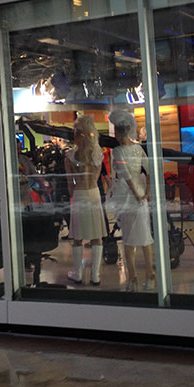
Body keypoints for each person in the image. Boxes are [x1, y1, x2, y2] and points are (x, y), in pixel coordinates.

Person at [108, 110, 156, 292]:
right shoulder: (138, 148)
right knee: (144, 236)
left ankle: (134, 277)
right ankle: (149, 275)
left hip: (129, 195)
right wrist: (147, 192)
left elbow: (126, 176)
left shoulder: (118, 151)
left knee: (129, 239)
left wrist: (138, 193)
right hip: (140, 193)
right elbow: (149, 169)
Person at [64, 115, 105, 285]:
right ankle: (95, 275)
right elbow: (98, 177)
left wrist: (73, 193)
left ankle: (78, 273)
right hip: (93, 193)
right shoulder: (98, 154)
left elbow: (70, 183)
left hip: (79, 194)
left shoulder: (70, 155)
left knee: (77, 237)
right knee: (97, 236)